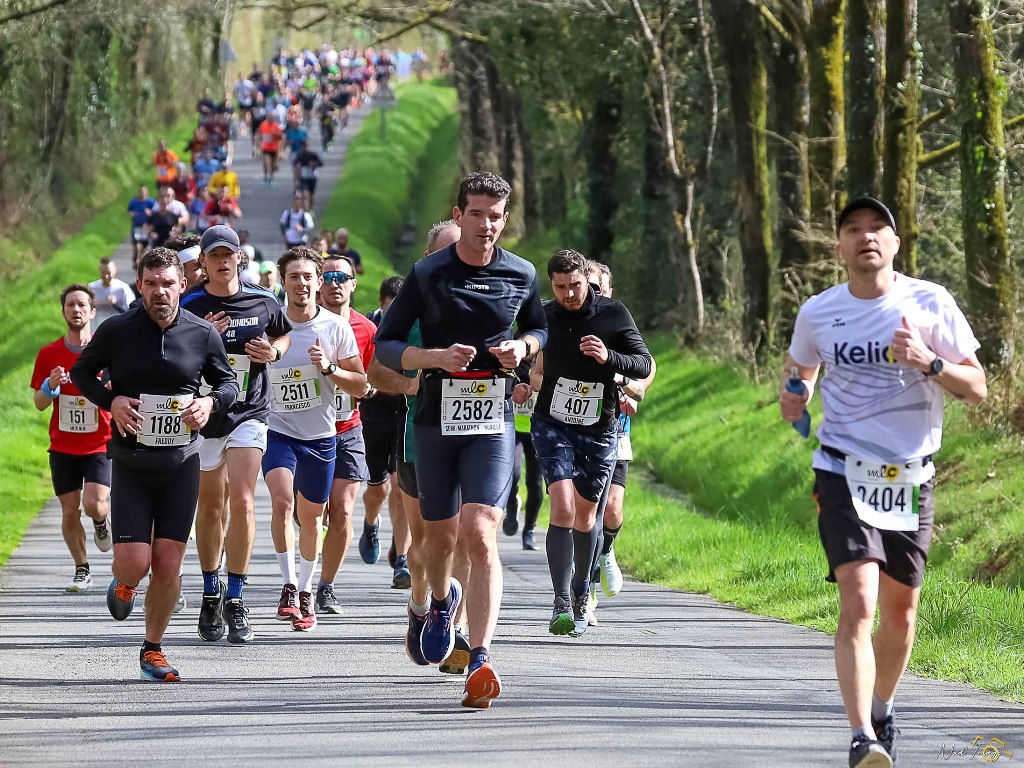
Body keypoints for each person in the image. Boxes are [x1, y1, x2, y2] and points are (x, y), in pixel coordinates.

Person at [779, 197, 987, 768]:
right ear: (840, 246)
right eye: (854, 230)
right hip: (842, 469)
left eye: (878, 229)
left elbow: (977, 388)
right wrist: (794, 399)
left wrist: (928, 362)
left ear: (895, 243)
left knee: (901, 612)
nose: (867, 237)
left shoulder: (930, 302)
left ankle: (883, 709)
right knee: (861, 600)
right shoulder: (819, 311)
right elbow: (798, 384)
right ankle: (860, 736)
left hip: (912, 475)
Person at [375, 172, 547, 708]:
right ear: (459, 214)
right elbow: (386, 344)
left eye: (496, 216)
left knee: (480, 532)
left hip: (491, 421)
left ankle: (480, 655)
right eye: (477, 214)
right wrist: (433, 359)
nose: (487, 225)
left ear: (505, 218)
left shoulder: (521, 273)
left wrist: (523, 346)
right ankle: (436, 602)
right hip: (434, 419)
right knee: (439, 539)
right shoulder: (428, 273)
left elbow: (541, 329)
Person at [70, 248, 238, 681]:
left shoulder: (202, 333)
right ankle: (124, 580)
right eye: (151, 283)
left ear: (182, 284)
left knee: (167, 563)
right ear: (140, 285)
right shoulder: (117, 331)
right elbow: (82, 373)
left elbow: (228, 382)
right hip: (132, 462)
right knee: (135, 561)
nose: (160, 291)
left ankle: (153, 649)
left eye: (168, 283)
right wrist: (112, 400)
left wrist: (208, 403)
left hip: (181, 463)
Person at [522, 249, 651, 638]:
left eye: (575, 285)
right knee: (561, 504)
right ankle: (561, 600)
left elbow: (643, 363)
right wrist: (519, 379)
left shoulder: (612, 314)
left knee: (587, 515)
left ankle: (582, 589)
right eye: (560, 287)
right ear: (552, 285)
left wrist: (609, 357)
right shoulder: (543, 314)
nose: (569, 294)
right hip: (552, 422)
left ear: (586, 280)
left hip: (600, 427)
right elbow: (521, 355)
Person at [367, 219, 472, 675]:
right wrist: (414, 384)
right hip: (418, 440)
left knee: (469, 536)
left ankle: (453, 627)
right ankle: (420, 601)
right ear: (429, 259)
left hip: (474, 437)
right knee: (424, 545)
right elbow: (375, 372)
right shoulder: (410, 307)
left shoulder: (489, 300)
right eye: (448, 253)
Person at [180, 226, 292, 645]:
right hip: (205, 414)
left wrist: (275, 352)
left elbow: (283, 332)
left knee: (243, 500)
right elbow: (171, 348)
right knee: (211, 506)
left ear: (239, 260)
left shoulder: (262, 300)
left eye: (230, 254)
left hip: (250, 410)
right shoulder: (189, 303)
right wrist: (199, 335)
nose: (223, 261)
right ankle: (212, 592)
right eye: (215, 255)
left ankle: (237, 597)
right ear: (203, 263)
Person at [265, 247, 367, 631]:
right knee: (280, 501)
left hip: (322, 436)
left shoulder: (334, 327)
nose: (302, 283)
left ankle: (306, 590)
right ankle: (288, 586)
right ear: (284, 282)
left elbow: (360, 383)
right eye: (294, 276)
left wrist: (329, 368)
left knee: (311, 519)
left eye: (308, 276)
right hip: (278, 432)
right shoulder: (269, 323)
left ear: (318, 282)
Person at [586, 261, 657, 625]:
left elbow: (647, 366)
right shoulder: (572, 323)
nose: (594, 294)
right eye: (589, 287)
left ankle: (607, 551)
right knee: (587, 514)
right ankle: (586, 589)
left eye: (600, 288)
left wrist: (634, 389)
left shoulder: (619, 321)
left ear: (609, 290)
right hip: (579, 433)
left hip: (618, 432)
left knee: (612, 510)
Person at [31, 284, 114, 592]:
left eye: (82, 305)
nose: (76, 310)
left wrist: (109, 387)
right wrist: (51, 385)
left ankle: (102, 522)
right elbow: (39, 404)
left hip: (99, 443)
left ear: (92, 312)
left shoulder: (106, 353)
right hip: (63, 446)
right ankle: (82, 568)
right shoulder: (49, 354)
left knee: (94, 505)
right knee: (69, 510)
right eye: (70, 305)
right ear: (63, 312)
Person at [314, 254, 379, 614]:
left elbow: (371, 380)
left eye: (342, 276)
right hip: (307, 431)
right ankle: (308, 569)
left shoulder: (366, 330)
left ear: (353, 283)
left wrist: (363, 389)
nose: (335, 283)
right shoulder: (303, 325)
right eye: (328, 276)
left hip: (348, 429)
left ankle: (327, 586)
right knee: (310, 512)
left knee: (341, 510)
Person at [359, 276, 412, 587]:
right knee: (378, 488)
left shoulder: (414, 326)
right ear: (381, 304)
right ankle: (370, 523)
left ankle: (402, 559)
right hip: (374, 410)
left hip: (405, 409)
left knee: (401, 485)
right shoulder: (368, 327)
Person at [89, 257, 136, 327]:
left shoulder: (123, 288)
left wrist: (116, 304)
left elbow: (132, 312)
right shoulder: (92, 288)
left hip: (116, 330)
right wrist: (94, 304)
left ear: (115, 270)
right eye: (103, 273)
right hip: (95, 329)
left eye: (108, 273)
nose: (106, 276)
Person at [128, 186, 156, 268]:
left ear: (147, 192)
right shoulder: (133, 201)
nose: (142, 193)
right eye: (141, 191)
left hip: (146, 226)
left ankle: (139, 261)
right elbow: (129, 211)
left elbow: (155, 212)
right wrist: (133, 214)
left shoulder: (151, 202)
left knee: (143, 246)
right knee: (136, 245)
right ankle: (136, 258)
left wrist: (150, 213)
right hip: (136, 225)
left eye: (144, 191)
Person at [292, 142, 323, 209]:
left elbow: (320, 163)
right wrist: (298, 166)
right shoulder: (299, 156)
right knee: (306, 195)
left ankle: (311, 208)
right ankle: (305, 210)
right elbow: (294, 164)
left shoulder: (312, 155)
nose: (305, 148)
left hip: (312, 178)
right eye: (303, 147)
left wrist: (314, 164)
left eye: (306, 147)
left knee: (311, 196)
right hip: (304, 178)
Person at [259, 113, 284, 184]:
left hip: (274, 148)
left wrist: (275, 134)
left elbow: (281, 136)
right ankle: (266, 176)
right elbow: (260, 134)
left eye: (271, 118)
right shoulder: (263, 125)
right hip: (265, 148)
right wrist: (258, 144)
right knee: (267, 162)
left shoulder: (276, 126)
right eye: (268, 118)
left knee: (273, 164)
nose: (270, 120)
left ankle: (271, 177)